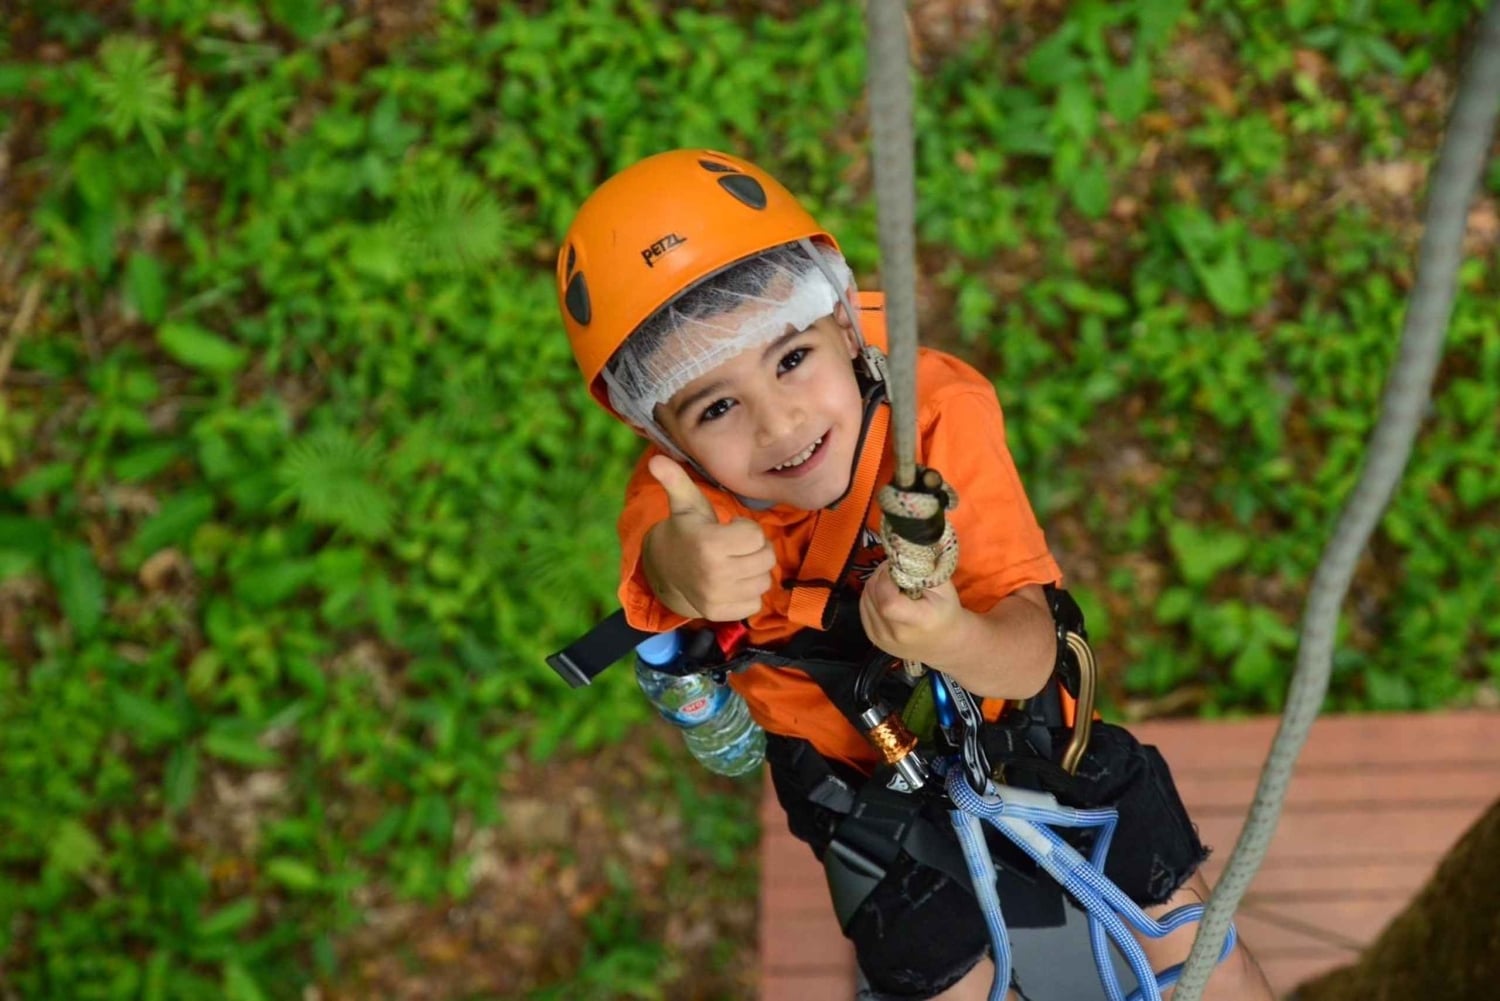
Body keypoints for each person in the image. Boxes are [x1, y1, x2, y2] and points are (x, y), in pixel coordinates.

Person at [555, 148, 1273, 1001]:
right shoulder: (681, 499)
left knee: (1186, 941)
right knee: (938, 973)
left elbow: (1035, 652)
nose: (779, 423)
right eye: (716, 406)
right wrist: (688, 573)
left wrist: (955, 637)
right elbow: (660, 557)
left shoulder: (933, 418)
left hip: (1030, 730)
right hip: (861, 791)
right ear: (668, 439)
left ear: (846, 329)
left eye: (791, 359)